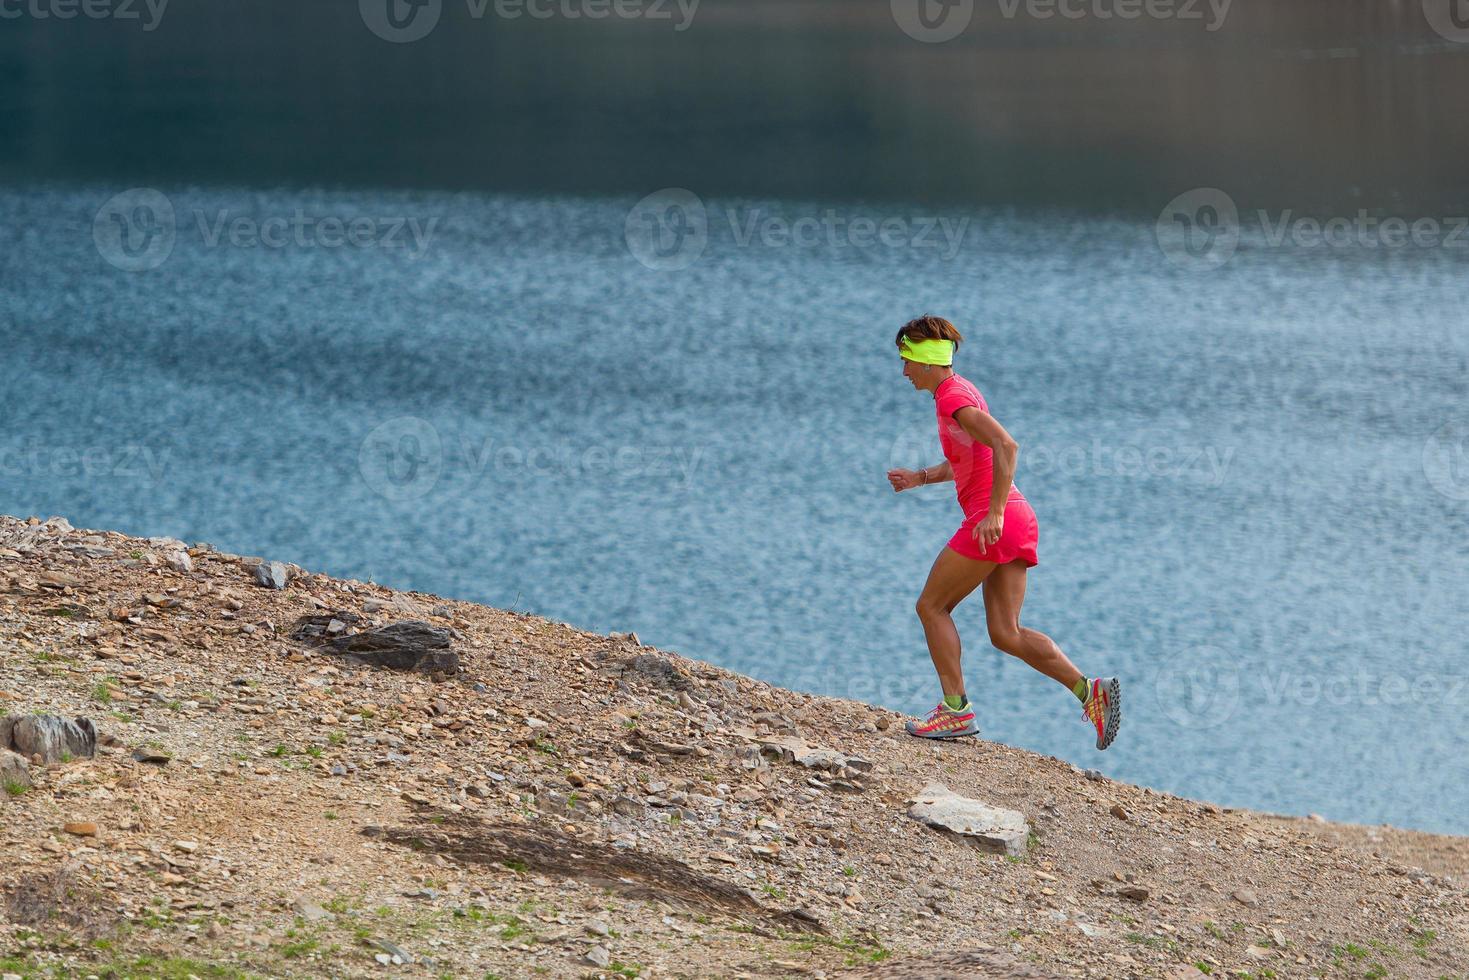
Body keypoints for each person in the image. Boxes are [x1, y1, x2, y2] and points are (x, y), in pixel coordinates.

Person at [885, 315, 1120, 749]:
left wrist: (990, 514)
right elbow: (969, 461)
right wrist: (920, 477)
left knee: (931, 607)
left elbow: (1006, 446)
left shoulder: (952, 397)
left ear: (925, 359)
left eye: (906, 361)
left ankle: (955, 711)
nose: (903, 372)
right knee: (1005, 632)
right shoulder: (962, 389)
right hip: (1016, 516)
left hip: (994, 520)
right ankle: (1091, 692)